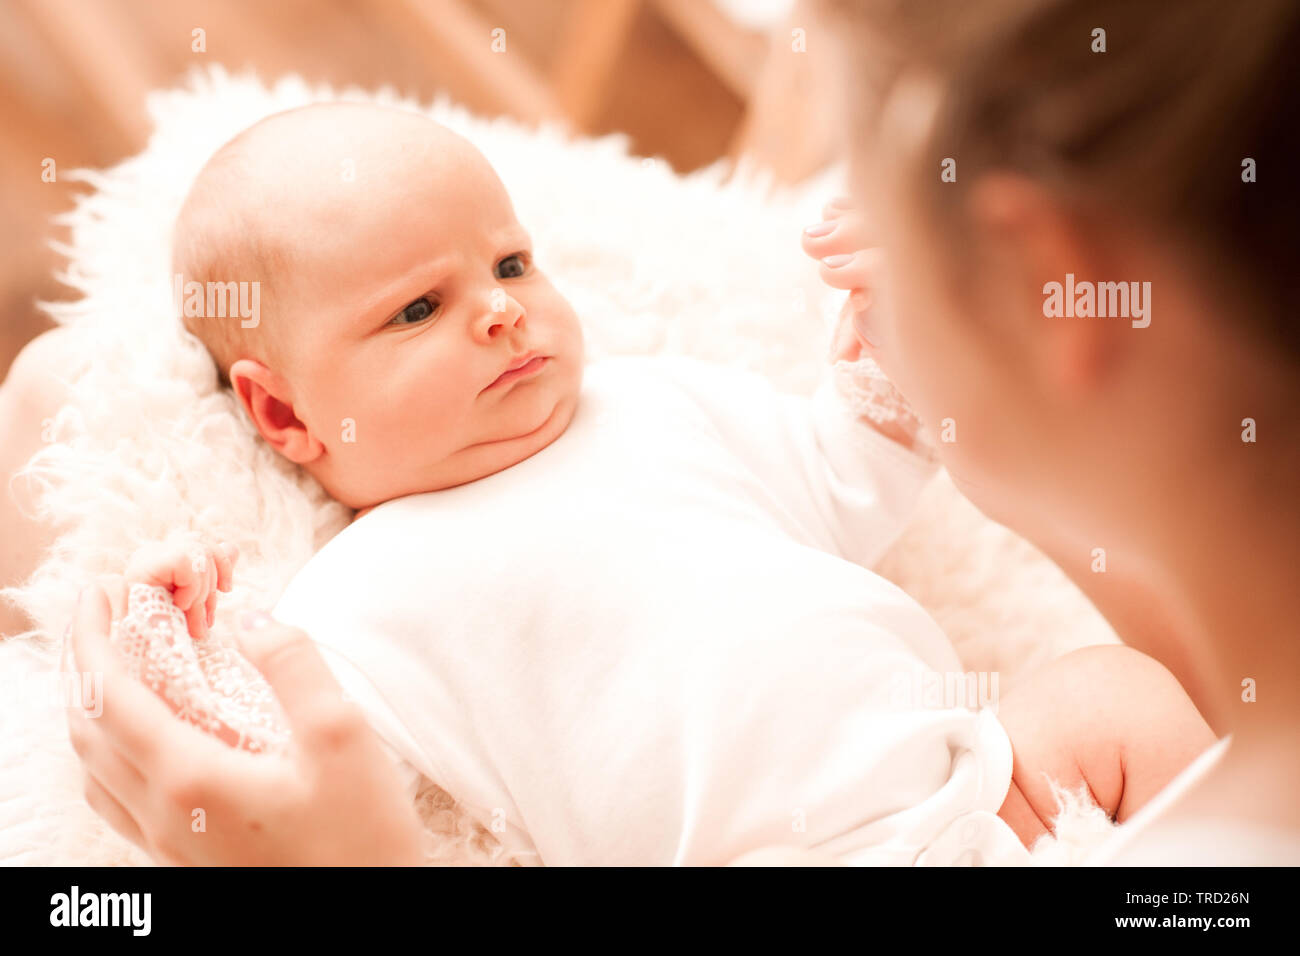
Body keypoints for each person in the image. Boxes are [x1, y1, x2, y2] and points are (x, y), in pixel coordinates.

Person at [35, 0, 1300, 863]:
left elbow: (837, 470)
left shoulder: (659, 400)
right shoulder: (364, 591)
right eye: (418, 307)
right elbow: (276, 740)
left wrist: (880, 382)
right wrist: (175, 628)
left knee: (1112, 691)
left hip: (972, 781)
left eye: (514, 263)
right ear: (280, 411)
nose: (498, 315)